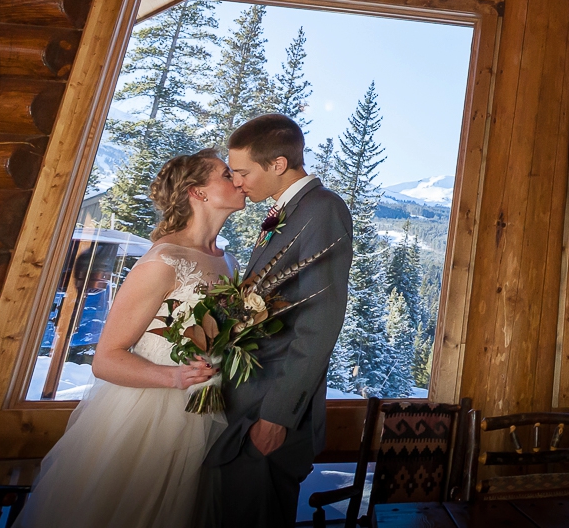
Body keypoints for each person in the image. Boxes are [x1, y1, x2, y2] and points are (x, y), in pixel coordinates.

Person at [19, 150, 246, 528]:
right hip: (152, 415)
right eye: (226, 174)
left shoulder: (231, 263)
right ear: (198, 193)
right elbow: (106, 358)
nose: (237, 180)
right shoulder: (164, 260)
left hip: (211, 412)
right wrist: (174, 378)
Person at [205, 113, 353, 528]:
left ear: (278, 165)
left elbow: (320, 321)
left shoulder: (323, 209)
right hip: (247, 399)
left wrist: (278, 414)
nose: (236, 182)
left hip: (271, 408)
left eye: (242, 172)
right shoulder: (290, 211)